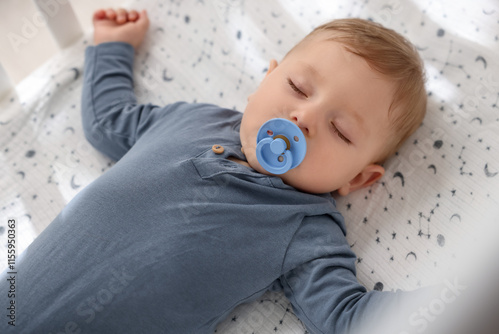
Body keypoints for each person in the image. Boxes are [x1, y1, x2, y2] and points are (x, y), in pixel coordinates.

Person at [1, 8, 432, 334]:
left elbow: (345, 316)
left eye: (340, 130)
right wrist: (113, 46)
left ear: (356, 179)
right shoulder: (191, 120)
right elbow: (109, 122)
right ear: (268, 77)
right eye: (298, 88)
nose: (303, 118)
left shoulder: (304, 229)